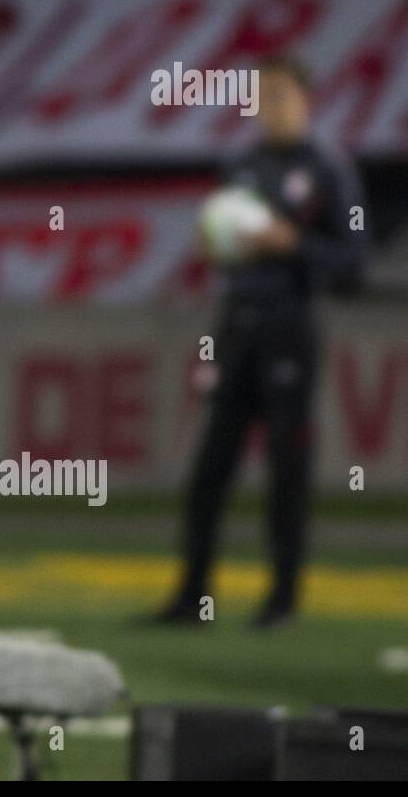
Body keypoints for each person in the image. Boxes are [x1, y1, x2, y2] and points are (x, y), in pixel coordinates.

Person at [146, 54, 366, 630]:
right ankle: (193, 595)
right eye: (261, 95)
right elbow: (219, 243)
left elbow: (353, 263)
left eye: (281, 95)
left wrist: (292, 243)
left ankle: (282, 599)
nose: (268, 107)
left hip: (290, 326)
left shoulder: (329, 169)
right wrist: (215, 241)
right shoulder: (240, 165)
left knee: (287, 467)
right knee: (210, 466)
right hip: (236, 326)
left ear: (306, 100)